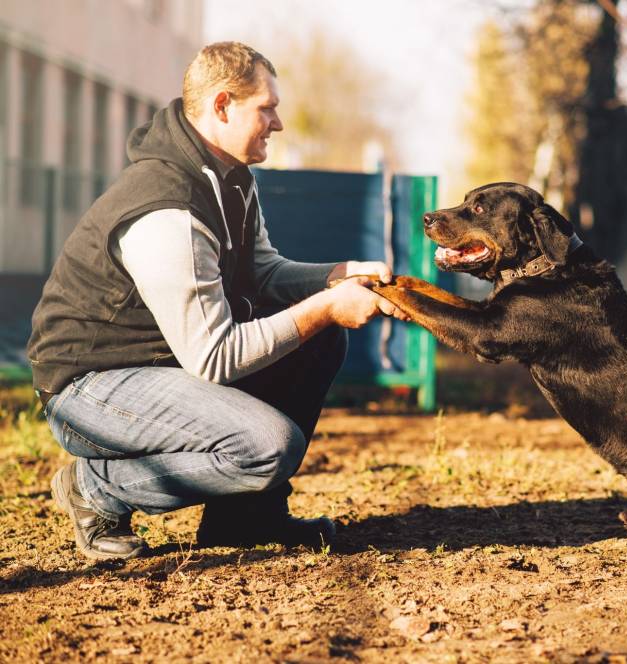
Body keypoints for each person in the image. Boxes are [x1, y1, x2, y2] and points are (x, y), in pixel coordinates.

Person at [26, 42, 406, 560]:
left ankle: (245, 519)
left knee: (320, 341)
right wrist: (325, 306)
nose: (278, 123)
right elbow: (215, 357)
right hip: (90, 388)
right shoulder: (168, 208)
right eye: (266, 108)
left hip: (159, 365)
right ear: (223, 105)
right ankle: (95, 487)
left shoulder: (231, 179)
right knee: (267, 448)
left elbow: (265, 270)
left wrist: (338, 276)